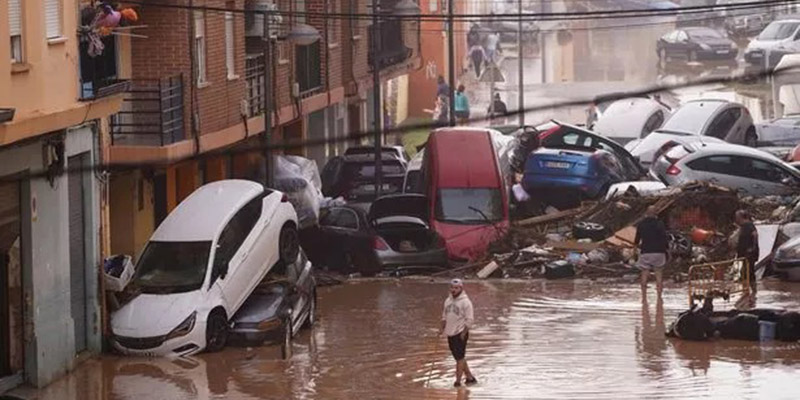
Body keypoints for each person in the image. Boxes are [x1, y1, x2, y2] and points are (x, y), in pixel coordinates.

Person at [438, 279, 476, 387]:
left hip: (460, 333)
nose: (453, 290)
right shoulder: (447, 301)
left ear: (461, 289)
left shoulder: (466, 302)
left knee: (459, 358)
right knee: (459, 357)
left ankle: (457, 382)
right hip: (450, 333)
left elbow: (470, 320)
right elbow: (444, 316)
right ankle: (470, 378)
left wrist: (464, 333)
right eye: (452, 288)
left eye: (456, 288)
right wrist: (441, 328)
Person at [635, 206, 669, 297]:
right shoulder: (659, 223)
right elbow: (664, 237)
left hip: (645, 251)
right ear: (656, 213)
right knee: (658, 273)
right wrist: (667, 248)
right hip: (659, 252)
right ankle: (659, 297)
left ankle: (644, 298)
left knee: (644, 273)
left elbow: (637, 239)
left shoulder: (641, 224)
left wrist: (636, 247)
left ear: (646, 213)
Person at [735, 210, 759, 295]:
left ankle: (752, 291)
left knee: (749, 273)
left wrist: (752, 248)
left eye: (737, 217)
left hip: (749, 254)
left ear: (741, 217)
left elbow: (755, 236)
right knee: (745, 273)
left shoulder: (749, 225)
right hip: (744, 254)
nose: (736, 219)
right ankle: (746, 291)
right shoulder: (743, 227)